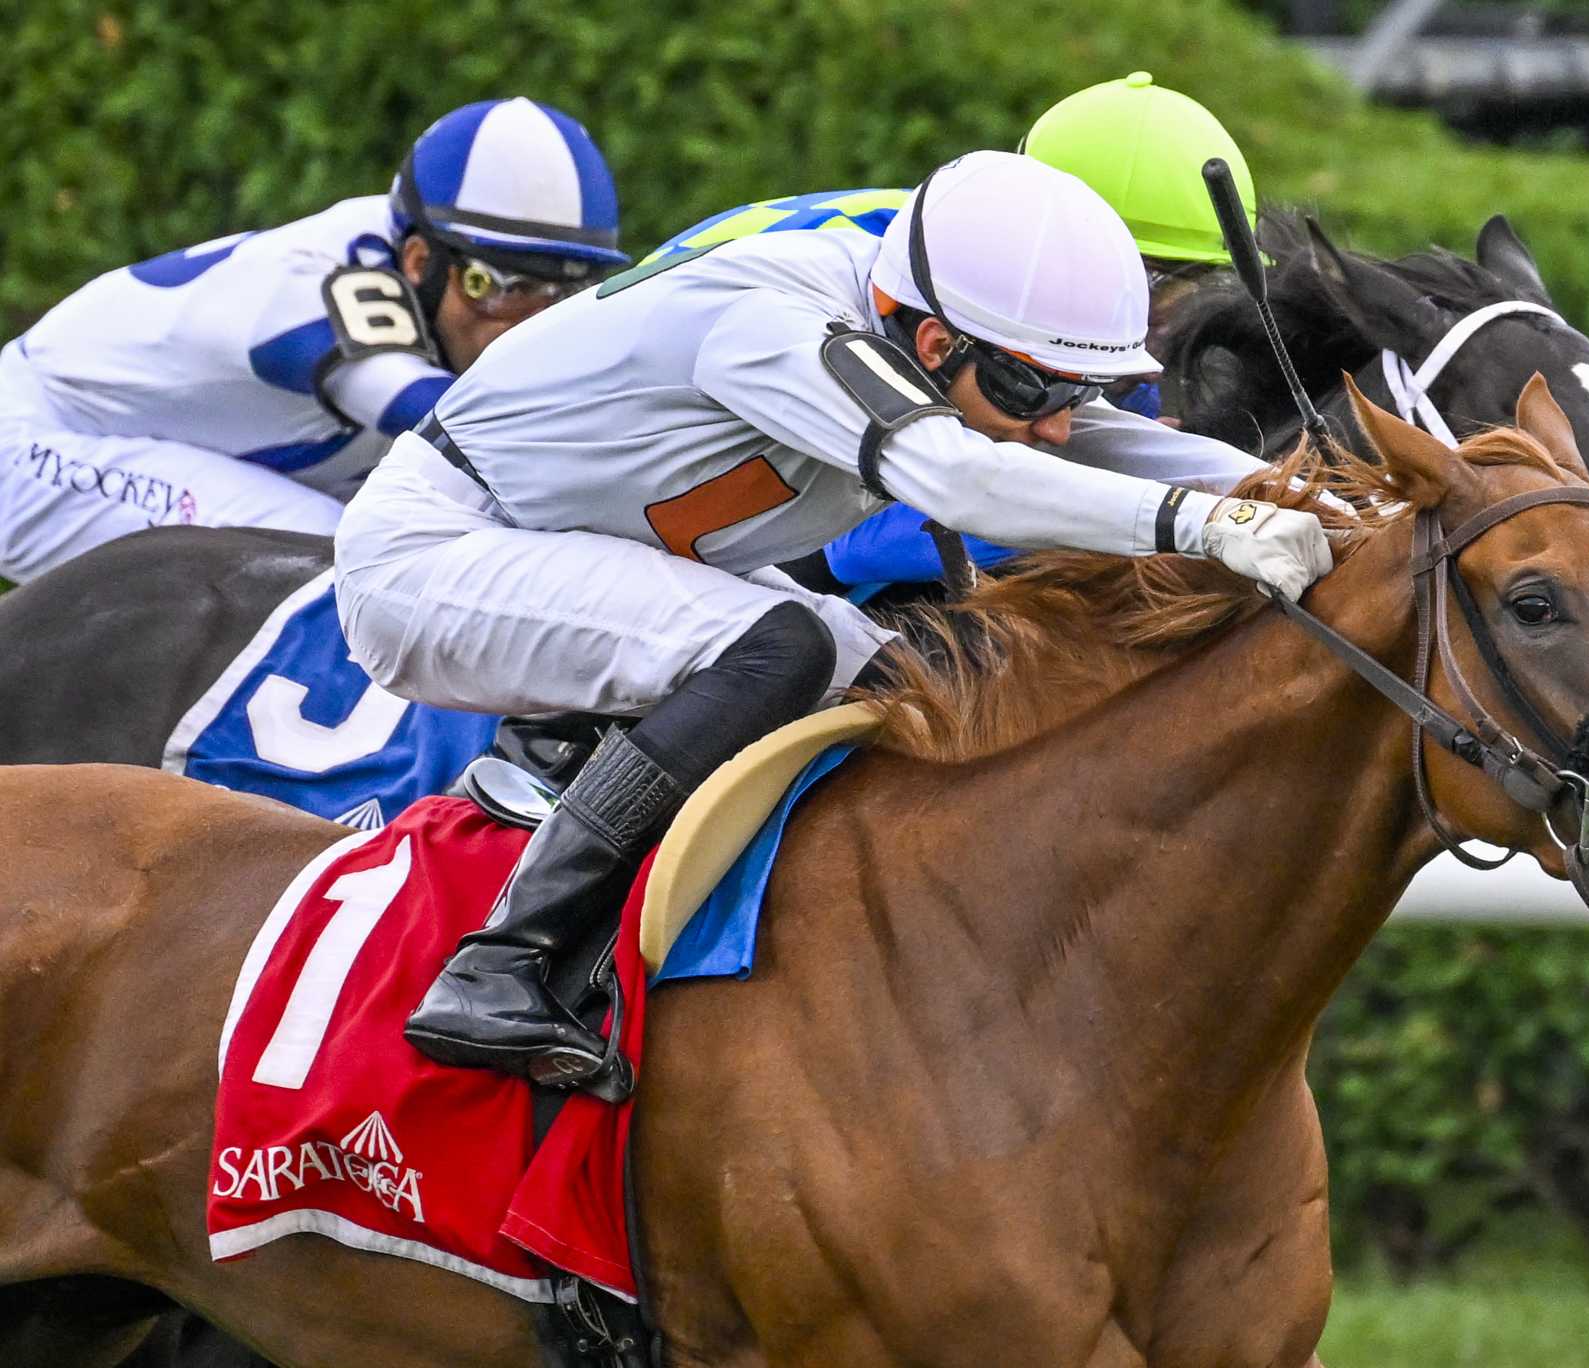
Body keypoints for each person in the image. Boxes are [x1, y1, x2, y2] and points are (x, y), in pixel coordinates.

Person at [333, 150, 1332, 1096]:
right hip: (435, 549)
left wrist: (1323, 501)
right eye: (1036, 390)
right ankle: (503, 965)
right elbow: (956, 474)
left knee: (922, 685)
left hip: (584, 555)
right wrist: (1207, 526)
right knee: (784, 646)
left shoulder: (923, 334)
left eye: (1078, 389)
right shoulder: (774, 321)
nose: (1059, 424)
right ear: (933, 344)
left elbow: (1104, 443)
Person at [655, 72, 1260, 593]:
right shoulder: (928, 275)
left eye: (1195, 285)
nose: (1154, 315)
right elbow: (866, 541)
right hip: (679, 449)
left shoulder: (997, 269)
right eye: (1148, 280)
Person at [0, 97, 627, 583]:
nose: (524, 319)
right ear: (417, 260)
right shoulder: (323, 280)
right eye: (495, 283)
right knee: (348, 566)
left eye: (559, 291)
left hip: (152, 443)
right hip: (35, 438)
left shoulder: (417, 274)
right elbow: (450, 422)